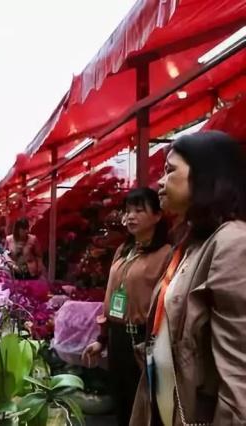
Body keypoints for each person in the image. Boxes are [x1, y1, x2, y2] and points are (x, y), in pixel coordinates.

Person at [131, 131, 246, 425]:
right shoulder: (191, 243)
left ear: (206, 176)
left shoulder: (232, 243)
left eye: (170, 171)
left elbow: (238, 373)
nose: (159, 181)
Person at [81, 188, 171, 426]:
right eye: (127, 211)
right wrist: (102, 339)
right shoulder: (123, 250)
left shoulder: (167, 254)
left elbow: (169, 305)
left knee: (144, 408)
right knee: (122, 402)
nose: (130, 216)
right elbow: (111, 297)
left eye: (139, 210)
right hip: (118, 336)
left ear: (158, 215)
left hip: (145, 340)